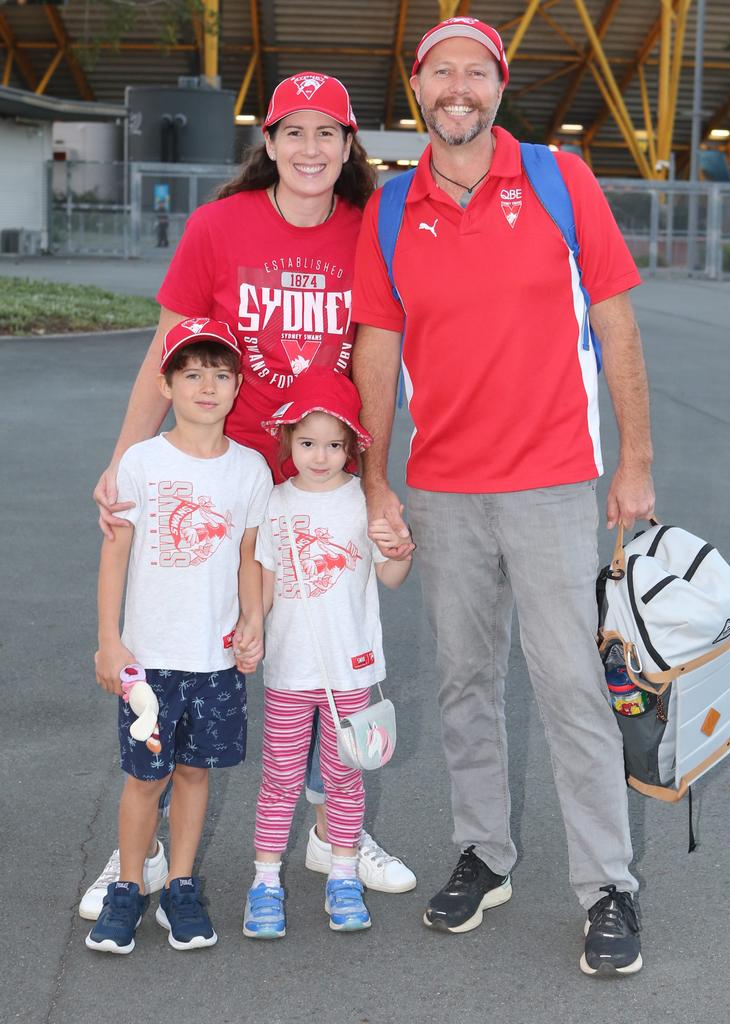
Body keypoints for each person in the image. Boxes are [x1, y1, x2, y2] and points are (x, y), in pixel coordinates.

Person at [351, 17, 654, 976]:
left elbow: (614, 321)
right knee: (464, 685)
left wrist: (635, 459)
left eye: (474, 72)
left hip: (555, 483)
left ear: (497, 85)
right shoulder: (392, 209)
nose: (457, 88)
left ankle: (609, 885)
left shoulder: (561, 183)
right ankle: (485, 852)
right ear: (419, 88)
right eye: (440, 72)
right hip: (443, 492)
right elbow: (378, 348)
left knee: (571, 691)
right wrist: (374, 477)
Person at [80, 71, 414, 923]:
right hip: (225, 474)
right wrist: (123, 462)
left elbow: (377, 365)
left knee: (321, 653)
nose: (309, 149)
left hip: (317, 479)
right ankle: (140, 853)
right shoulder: (218, 225)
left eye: (327, 133)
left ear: (349, 148)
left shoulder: (368, 229)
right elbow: (167, 346)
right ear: (266, 144)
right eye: (291, 132)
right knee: (182, 650)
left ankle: (330, 832)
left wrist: (374, 483)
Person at [86, 319, 273, 954]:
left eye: (221, 375)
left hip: (215, 661)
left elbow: (251, 556)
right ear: (166, 384)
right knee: (146, 779)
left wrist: (253, 623)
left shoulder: (250, 470)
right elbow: (115, 556)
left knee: (196, 773)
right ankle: (129, 887)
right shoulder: (141, 461)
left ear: (237, 386)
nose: (207, 386)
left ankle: (182, 887)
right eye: (192, 374)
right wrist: (110, 643)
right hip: (149, 662)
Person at [243, 371, 412, 938]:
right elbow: (263, 586)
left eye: (334, 444)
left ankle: (343, 875)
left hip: (350, 673)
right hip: (289, 671)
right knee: (280, 780)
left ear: (353, 447)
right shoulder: (274, 504)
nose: (320, 456)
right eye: (308, 442)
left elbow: (389, 577)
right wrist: (250, 628)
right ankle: (265, 882)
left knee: (344, 779)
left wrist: (401, 547)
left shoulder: (366, 502)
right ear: (288, 440)